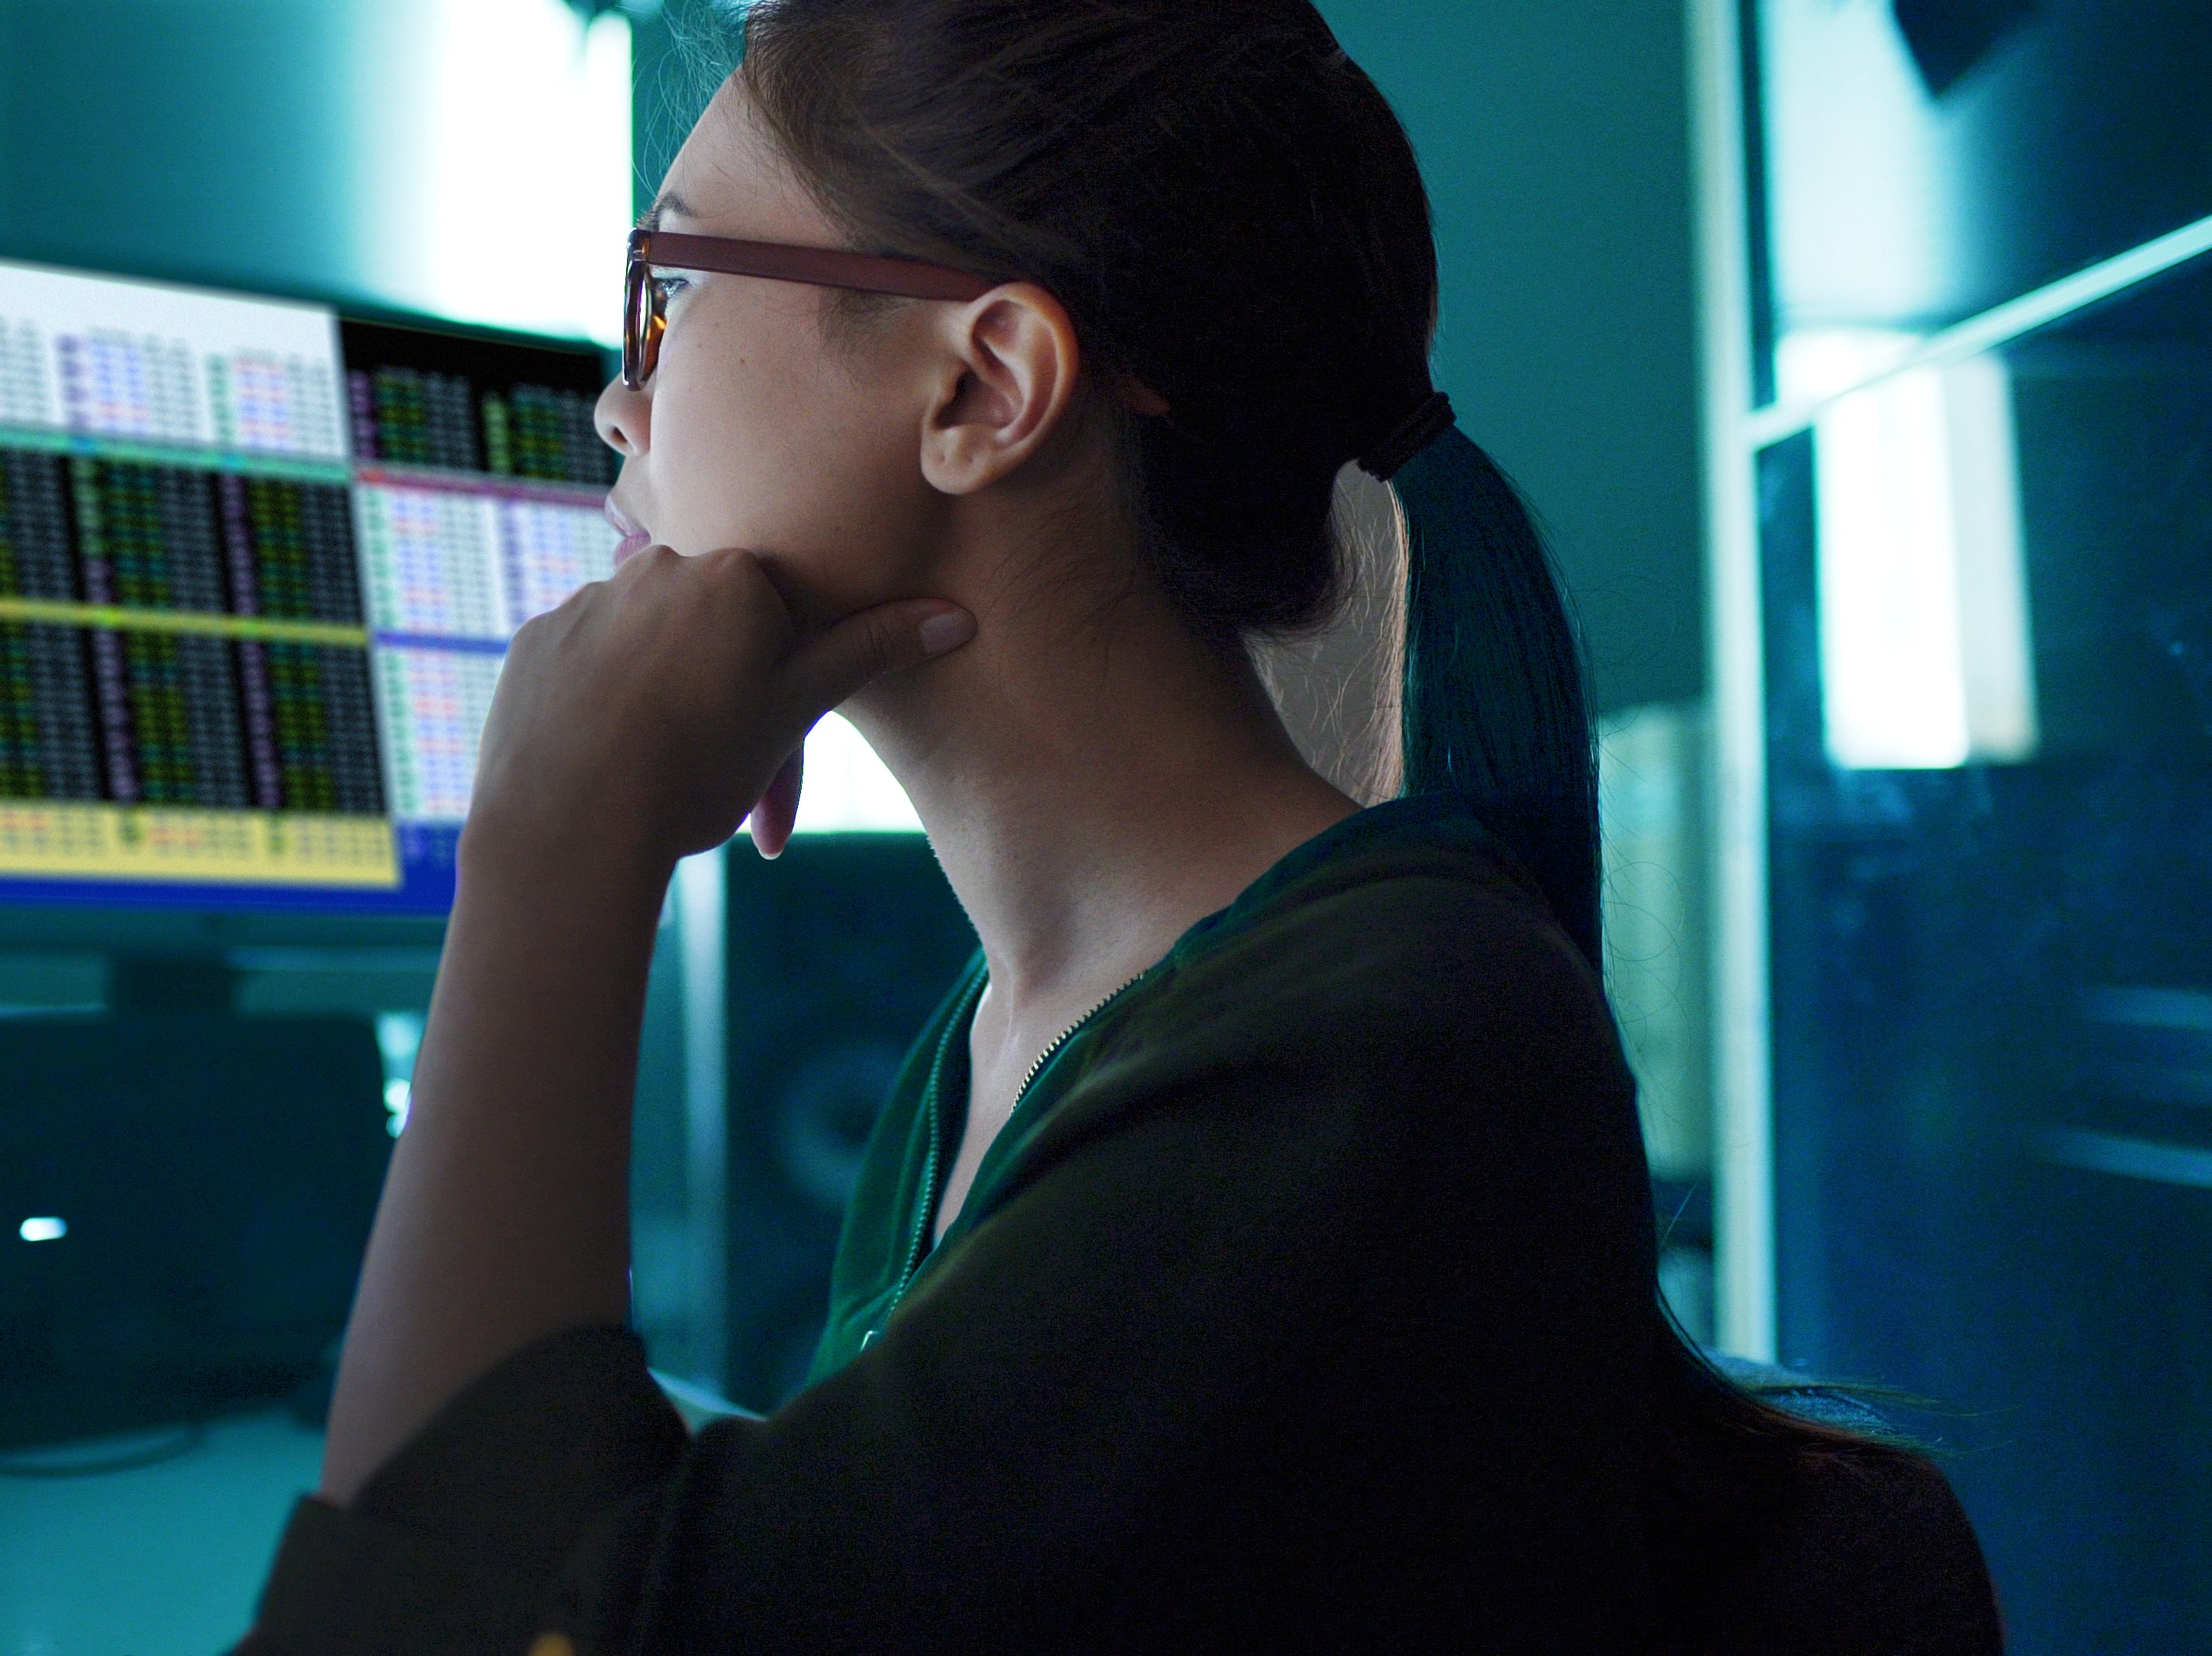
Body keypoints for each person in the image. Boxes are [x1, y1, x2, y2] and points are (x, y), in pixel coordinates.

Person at [247, 2, 2001, 1650]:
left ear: (983, 386)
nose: (617, 399)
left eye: (670, 286)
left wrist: (556, 840)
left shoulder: (1379, 1049)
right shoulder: (1012, 1031)